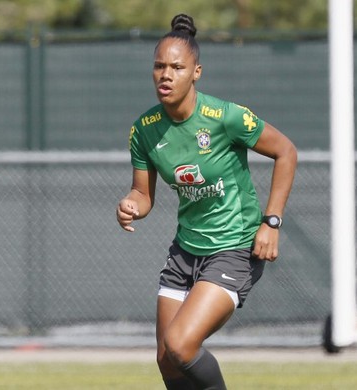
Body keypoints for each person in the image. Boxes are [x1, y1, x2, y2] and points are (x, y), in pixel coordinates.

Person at [116, 14, 296, 390]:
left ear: (196, 72)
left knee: (181, 345)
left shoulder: (225, 117)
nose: (166, 75)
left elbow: (286, 152)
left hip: (233, 248)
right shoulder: (144, 130)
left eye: (177, 67)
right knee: (167, 361)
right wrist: (131, 204)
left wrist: (272, 221)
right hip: (185, 251)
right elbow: (143, 195)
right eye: (159, 66)